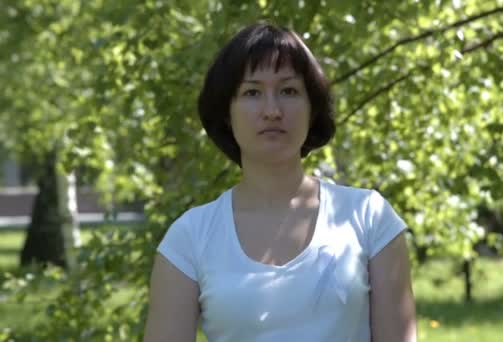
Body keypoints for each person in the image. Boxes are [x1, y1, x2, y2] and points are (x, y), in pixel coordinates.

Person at [144, 22, 417, 342]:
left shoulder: (368, 217)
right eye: (252, 92)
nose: (272, 110)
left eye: (288, 91)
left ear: (312, 108)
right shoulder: (190, 238)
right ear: (225, 114)